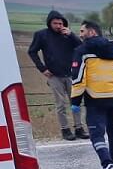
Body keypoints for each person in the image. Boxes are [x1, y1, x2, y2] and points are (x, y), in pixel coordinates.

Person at [70, 21, 113, 169]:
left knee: (96, 134)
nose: (80, 34)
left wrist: (75, 101)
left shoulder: (81, 51)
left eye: (82, 31)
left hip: (95, 100)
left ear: (92, 32)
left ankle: (106, 164)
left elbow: (78, 78)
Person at [27, 10, 87, 140]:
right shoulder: (41, 35)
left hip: (71, 75)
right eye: (55, 23)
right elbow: (32, 51)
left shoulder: (68, 35)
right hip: (54, 76)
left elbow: (82, 47)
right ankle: (65, 130)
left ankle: (79, 128)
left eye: (60, 23)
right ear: (50, 23)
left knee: (76, 103)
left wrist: (71, 35)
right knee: (60, 104)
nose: (58, 26)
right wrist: (42, 68)